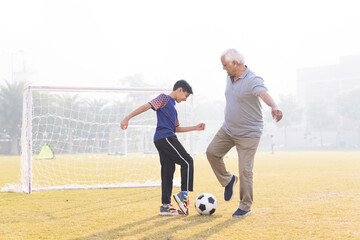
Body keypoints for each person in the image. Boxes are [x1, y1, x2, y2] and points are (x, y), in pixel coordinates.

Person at [206, 49, 283, 217]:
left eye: (225, 65)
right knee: (211, 152)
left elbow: (264, 93)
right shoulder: (229, 77)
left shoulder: (252, 80)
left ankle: (245, 206)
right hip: (228, 129)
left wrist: (274, 106)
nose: (223, 68)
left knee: (245, 170)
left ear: (235, 63)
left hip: (249, 134)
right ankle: (228, 180)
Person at [120, 80, 205, 216]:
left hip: (163, 138)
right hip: (165, 137)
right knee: (188, 161)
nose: (185, 99)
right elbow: (146, 107)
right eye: (186, 96)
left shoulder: (174, 108)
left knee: (167, 171)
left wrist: (195, 128)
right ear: (180, 90)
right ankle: (183, 195)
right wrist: (127, 118)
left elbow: (176, 128)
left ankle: (165, 205)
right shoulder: (164, 99)